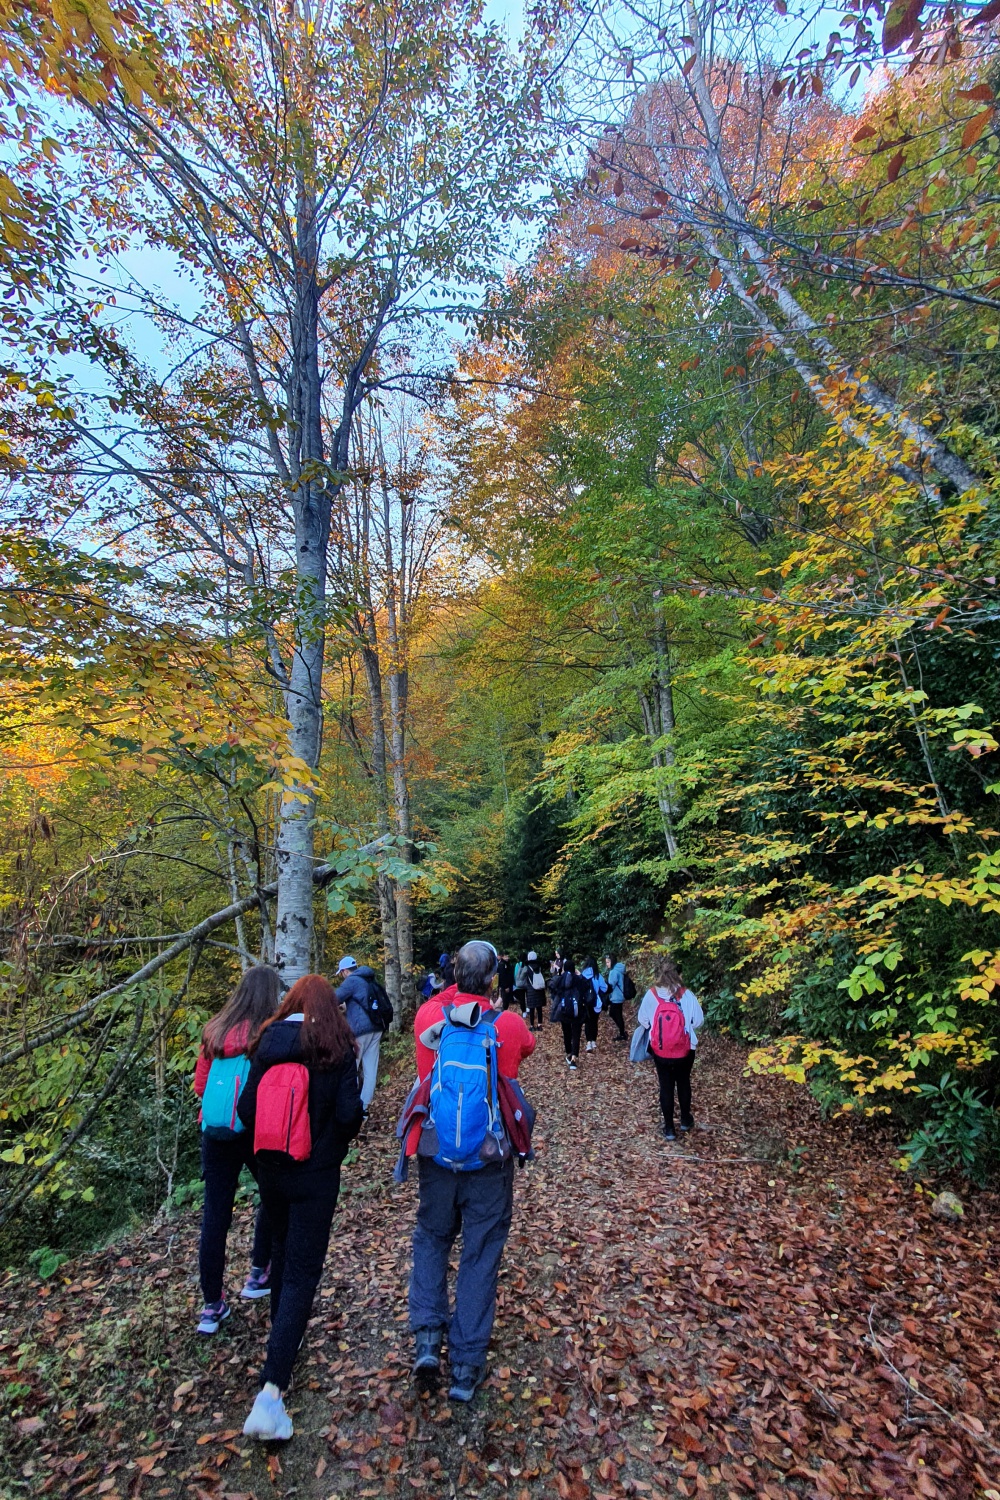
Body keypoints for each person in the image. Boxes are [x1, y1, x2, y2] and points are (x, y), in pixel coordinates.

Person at [407, 940, 535, 1403]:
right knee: (480, 1251)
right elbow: (527, 1052)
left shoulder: (428, 1019)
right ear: (494, 979)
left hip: (435, 1151)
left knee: (432, 1237)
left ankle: (426, 1338)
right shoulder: (509, 1026)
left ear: (451, 974)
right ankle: (465, 1364)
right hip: (488, 1157)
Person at [237, 974, 363, 1440]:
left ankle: (282, 1338)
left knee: (281, 1251)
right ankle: (271, 1393)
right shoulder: (334, 1046)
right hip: (316, 1174)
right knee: (303, 1269)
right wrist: (331, 1150)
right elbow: (350, 1113)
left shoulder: (267, 1041)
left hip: (270, 1168)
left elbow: (248, 1111)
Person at [192, 964, 282, 1336]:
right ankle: (259, 1272)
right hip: (255, 1128)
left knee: (215, 1215)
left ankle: (212, 1305)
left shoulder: (215, 1029)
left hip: (215, 1130)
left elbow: (201, 1085)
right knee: (273, 1197)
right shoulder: (269, 1032)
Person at [635, 957, 705, 1140]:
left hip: (660, 1050)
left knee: (665, 1086)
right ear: (678, 974)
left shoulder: (651, 995)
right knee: (683, 1082)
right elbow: (698, 1021)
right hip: (685, 1049)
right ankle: (684, 1120)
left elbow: (642, 1020)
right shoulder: (687, 995)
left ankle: (668, 1128)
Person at [335, 955, 391, 1115]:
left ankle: (350, 1105)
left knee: (351, 1067)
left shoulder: (351, 981)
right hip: (376, 1027)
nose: (342, 976)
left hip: (360, 1030)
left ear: (345, 971)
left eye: (341, 973)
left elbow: (333, 998)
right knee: (370, 1069)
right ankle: (364, 1108)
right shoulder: (368, 979)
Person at [550, 956, 589, 1070]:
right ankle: (574, 1058)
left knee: (566, 1032)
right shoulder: (578, 979)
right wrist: (579, 974)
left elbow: (553, 988)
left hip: (564, 1010)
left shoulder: (561, 979)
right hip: (577, 1011)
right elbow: (586, 986)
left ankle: (568, 1053)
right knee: (576, 1034)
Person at [580, 957, 607, 1052]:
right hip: (596, 1002)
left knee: (587, 1021)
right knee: (594, 1021)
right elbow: (604, 988)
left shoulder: (583, 975)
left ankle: (588, 1043)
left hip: (586, 1002)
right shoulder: (598, 975)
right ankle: (593, 1041)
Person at [522, 950, 547, 1032]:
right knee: (539, 1008)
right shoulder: (539, 967)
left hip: (531, 990)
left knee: (531, 1008)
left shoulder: (527, 967)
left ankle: (532, 1025)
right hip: (539, 989)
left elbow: (523, 977)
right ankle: (539, 1025)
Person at [604, 954, 628, 1041]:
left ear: (612, 961)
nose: (607, 964)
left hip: (616, 997)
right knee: (617, 1014)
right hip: (620, 995)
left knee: (615, 1014)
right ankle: (622, 1032)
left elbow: (611, 985)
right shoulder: (620, 970)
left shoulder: (613, 972)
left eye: (608, 962)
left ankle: (622, 1033)